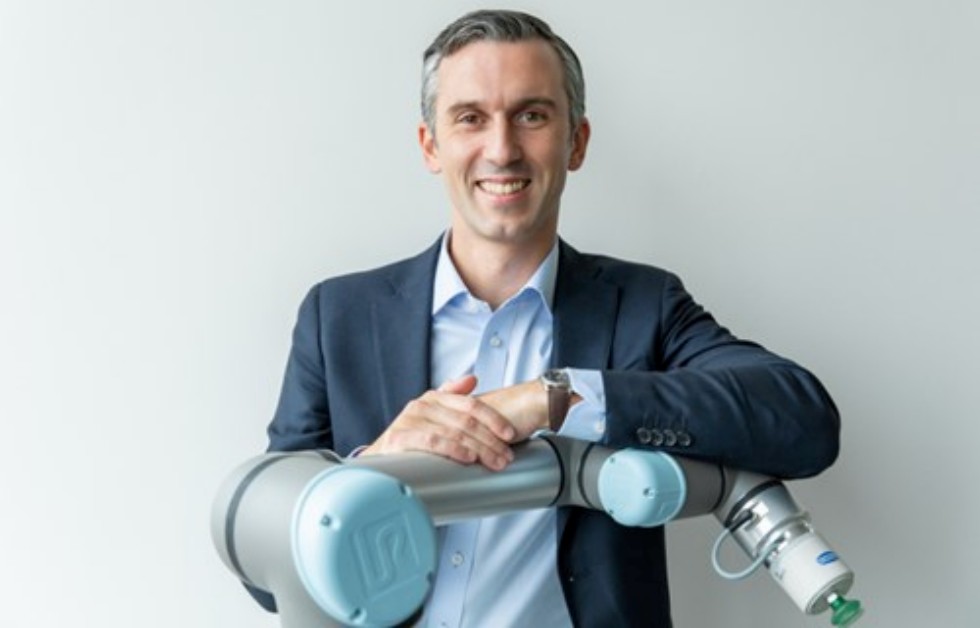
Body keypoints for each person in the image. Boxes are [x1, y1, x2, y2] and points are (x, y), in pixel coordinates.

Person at [254, 9, 840, 627]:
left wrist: (554, 399)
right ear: (431, 145)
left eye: (531, 115)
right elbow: (264, 576)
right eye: (470, 118)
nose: (501, 150)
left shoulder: (644, 306)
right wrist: (369, 472)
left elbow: (801, 420)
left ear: (576, 142)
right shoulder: (338, 316)